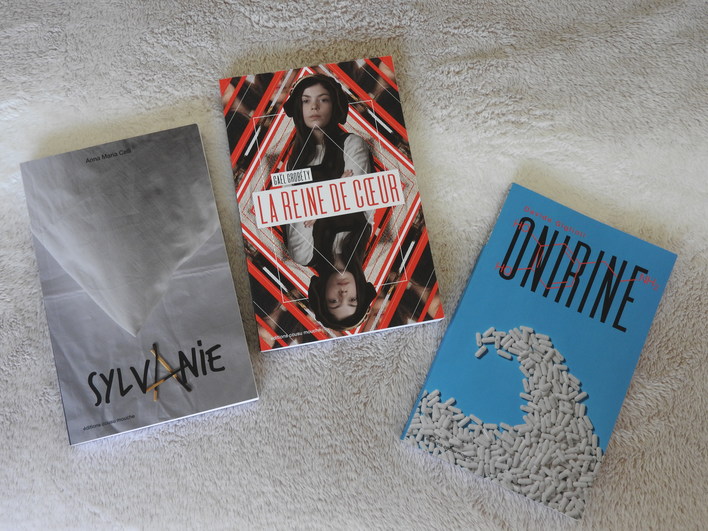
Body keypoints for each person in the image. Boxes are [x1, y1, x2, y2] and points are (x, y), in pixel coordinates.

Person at [281, 73, 377, 330]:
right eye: (353, 299)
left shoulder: (302, 253)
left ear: (322, 294)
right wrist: (334, 192)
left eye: (334, 301)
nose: (344, 293)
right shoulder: (366, 232)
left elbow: (297, 200)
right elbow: (354, 193)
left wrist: (321, 201)